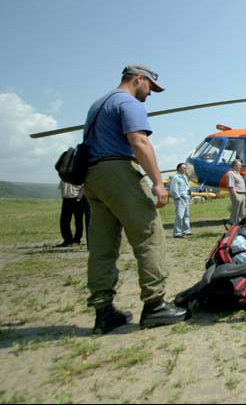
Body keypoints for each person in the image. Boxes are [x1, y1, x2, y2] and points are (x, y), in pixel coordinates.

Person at [81, 64, 186, 334]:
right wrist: (158, 183)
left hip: (92, 177)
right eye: (150, 86)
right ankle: (155, 305)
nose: (149, 93)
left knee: (103, 246)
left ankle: (103, 311)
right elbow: (139, 142)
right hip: (118, 171)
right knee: (149, 234)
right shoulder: (128, 103)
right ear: (138, 79)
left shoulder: (98, 104)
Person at [58, 180, 85, 247]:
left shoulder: (78, 177)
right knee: (64, 221)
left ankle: (77, 240)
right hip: (66, 200)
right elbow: (62, 188)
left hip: (77, 200)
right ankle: (68, 240)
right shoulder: (64, 177)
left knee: (78, 221)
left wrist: (79, 199)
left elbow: (83, 188)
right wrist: (63, 199)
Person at [169, 163, 192, 238]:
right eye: (183, 168)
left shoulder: (184, 176)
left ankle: (186, 231)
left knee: (186, 215)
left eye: (185, 168)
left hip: (186, 197)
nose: (185, 169)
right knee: (179, 215)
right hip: (180, 198)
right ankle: (177, 233)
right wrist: (178, 197)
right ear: (179, 168)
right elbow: (173, 189)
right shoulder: (175, 177)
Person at [226, 159, 246, 225]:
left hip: (242, 194)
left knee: (242, 212)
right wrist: (235, 196)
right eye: (239, 165)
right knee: (235, 211)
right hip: (237, 194)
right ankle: (232, 225)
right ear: (235, 165)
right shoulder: (230, 173)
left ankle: (239, 226)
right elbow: (231, 186)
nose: (241, 167)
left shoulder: (238, 174)